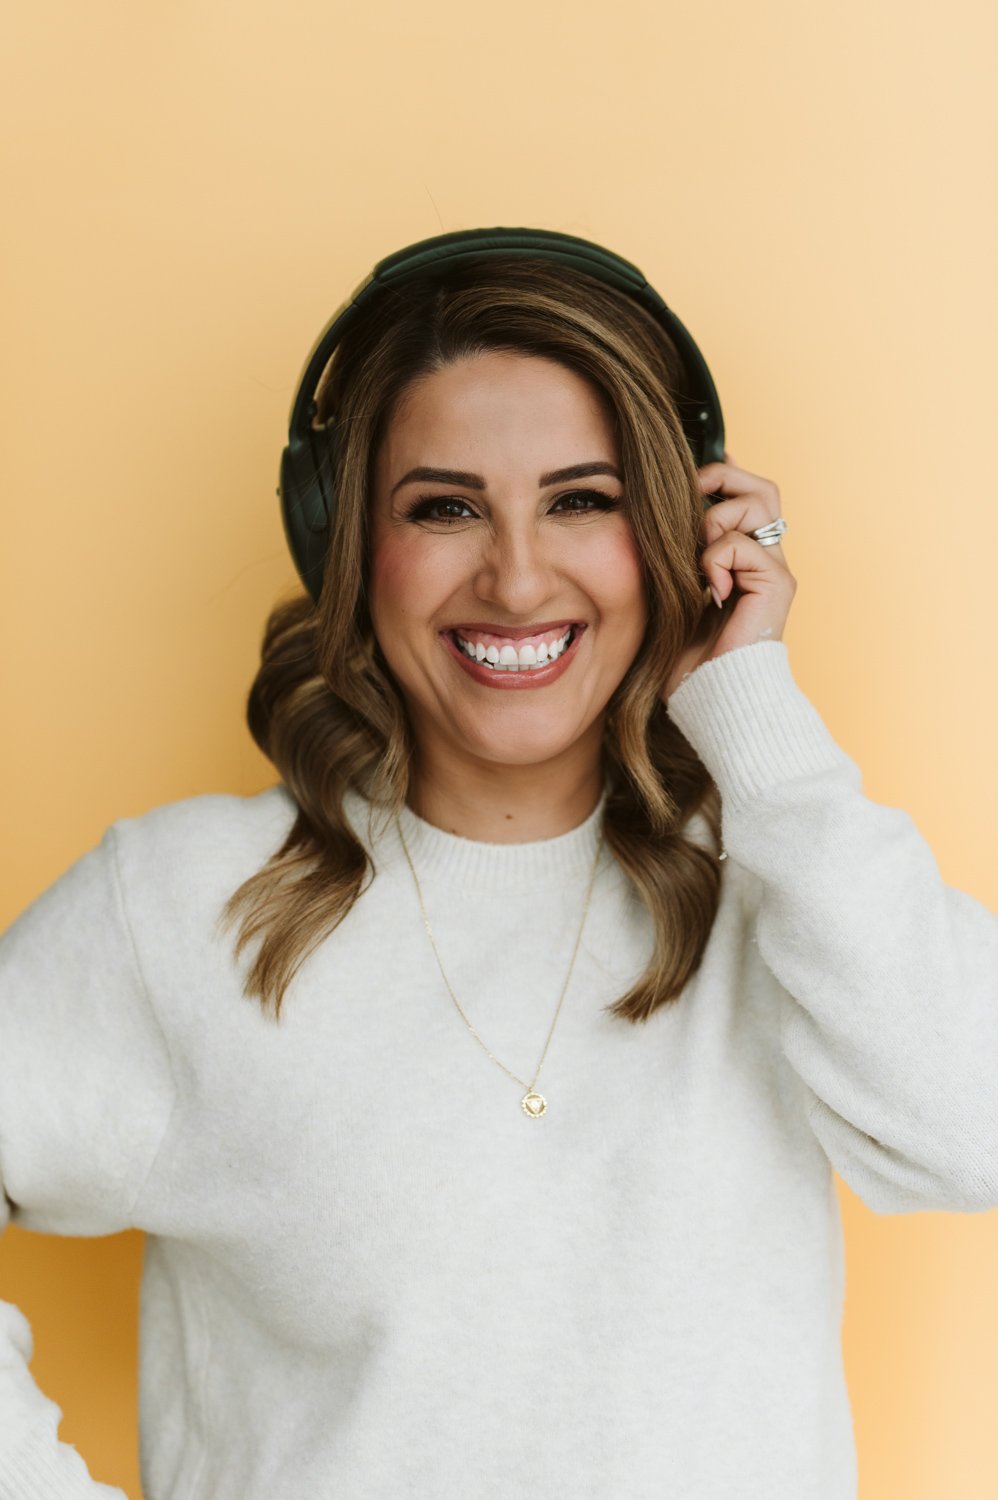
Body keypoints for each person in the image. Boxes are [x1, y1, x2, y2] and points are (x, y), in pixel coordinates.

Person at [1, 243, 996, 1500]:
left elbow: (973, 1130)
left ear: (682, 536)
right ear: (347, 541)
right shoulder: (178, 905)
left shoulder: (787, 883)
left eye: (582, 500)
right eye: (444, 507)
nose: (517, 578)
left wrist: (750, 704)